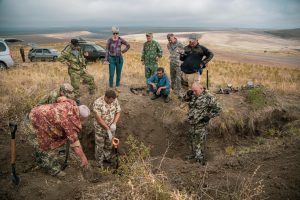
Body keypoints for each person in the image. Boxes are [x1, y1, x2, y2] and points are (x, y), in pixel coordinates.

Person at [27, 97, 90, 177]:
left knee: (56, 137)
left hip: (37, 110)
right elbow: (76, 144)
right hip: (37, 120)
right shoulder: (69, 122)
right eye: (83, 120)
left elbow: (60, 98)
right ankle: (53, 170)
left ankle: (40, 158)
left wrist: (54, 112)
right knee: (46, 146)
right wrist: (83, 158)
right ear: (80, 117)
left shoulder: (70, 103)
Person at [186, 83, 221, 165]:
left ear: (201, 88)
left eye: (195, 91)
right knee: (192, 138)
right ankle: (194, 155)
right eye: (193, 90)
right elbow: (183, 100)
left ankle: (200, 159)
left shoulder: (209, 97)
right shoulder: (193, 94)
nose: (194, 92)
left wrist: (209, 116)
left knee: (199, 139)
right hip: (192, 122)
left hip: (201, 122)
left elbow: (218, 109)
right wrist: (187, 95)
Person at [93, 90, 121, 167]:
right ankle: (99, 163)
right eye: (111, 101)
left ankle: (107, 158)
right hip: (100, 130)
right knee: (99, 146)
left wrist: (114, 123)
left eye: (113, 100)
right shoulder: (98, 103)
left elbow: (118, 112)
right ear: (107, 98)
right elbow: (98, 118)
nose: (112, 102)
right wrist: (107, 129)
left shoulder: (114, 100)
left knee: (109, 145)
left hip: (111, 129)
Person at [105, 26, 130, 92]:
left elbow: (128, 45)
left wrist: (123, 51)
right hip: (111, 59)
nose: (115, 35)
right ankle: (110, 87)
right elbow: (107, 50)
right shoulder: (109, 40)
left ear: (118, 33)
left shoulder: (120, 39)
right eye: (114, 33)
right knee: (111, 74)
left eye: (116, 33)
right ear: (112, 33)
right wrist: (106, 59)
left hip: (119, 59)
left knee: (118, 74)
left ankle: (117, 86)